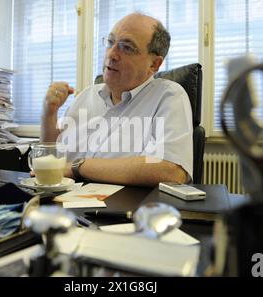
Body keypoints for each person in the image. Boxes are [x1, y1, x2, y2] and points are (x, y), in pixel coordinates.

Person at [40, 13, 193, 187]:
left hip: (122, 210)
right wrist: (49, 114)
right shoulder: (85, 97)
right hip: (62, 204)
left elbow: (170, 170)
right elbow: (51, 159)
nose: (111, 54)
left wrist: (80, 167)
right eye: (111, 42)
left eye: (127, 47)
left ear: (154, 64)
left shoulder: (169, 96)